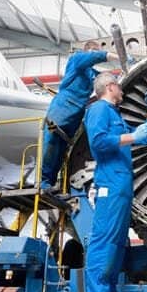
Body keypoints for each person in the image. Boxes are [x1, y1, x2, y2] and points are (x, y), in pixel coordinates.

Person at [83, 72, 147, 292]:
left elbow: (137, 138)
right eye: (119, 86)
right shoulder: (99, 109)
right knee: (104, 242)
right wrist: (134, 136)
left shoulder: (114, 114)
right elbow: (99, 142)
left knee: (116, 245)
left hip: (122, 185)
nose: (122, 90)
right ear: (110, 87)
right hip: (110, 185)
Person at [40, 41, 123, 191]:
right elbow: (93, 57)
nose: (95, 55)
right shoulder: (76, 59)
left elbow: (106, 79)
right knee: (51, 143)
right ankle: (44, 182)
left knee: (61, 149)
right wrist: (118, 57)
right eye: (94, 52)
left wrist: (123, 72)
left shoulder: (91, 74)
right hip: (63, 106)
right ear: (88, 51)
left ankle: (51, 184)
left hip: (76, 114)